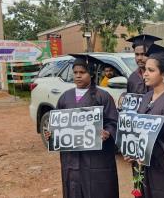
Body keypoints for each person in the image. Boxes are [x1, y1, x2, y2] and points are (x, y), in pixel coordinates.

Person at [45, 54, 119, 198]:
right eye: (75, 72)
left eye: (82, 72)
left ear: (90, 74)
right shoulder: (65, 97)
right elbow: (57, 123)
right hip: (71, 158)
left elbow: (113, 122)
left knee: (97, 190)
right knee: (74, 188)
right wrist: (51, 134)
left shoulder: (102, 96)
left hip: (96, 157)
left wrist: (108, 133)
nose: (78, 76)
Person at [126, 44, 164, 198]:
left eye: (151, 70)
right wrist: (132, 150)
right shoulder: (145, 98)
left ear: (163, 73)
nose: (145, 74)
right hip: (145, 166)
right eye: (145, 70)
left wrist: (162, 156)